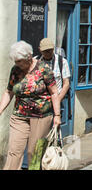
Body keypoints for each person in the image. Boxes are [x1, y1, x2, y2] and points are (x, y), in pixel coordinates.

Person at [0, 41, 61, 170]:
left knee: (35, 152)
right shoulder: (15, 70)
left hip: (41, 116)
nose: (17, 64)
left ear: (28, 57)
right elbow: (9, 91)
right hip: (19, 116)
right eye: (15, 61)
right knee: (14, 152)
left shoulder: (44, 68)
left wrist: (57, 115)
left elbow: (54, 93)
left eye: (19, 61)